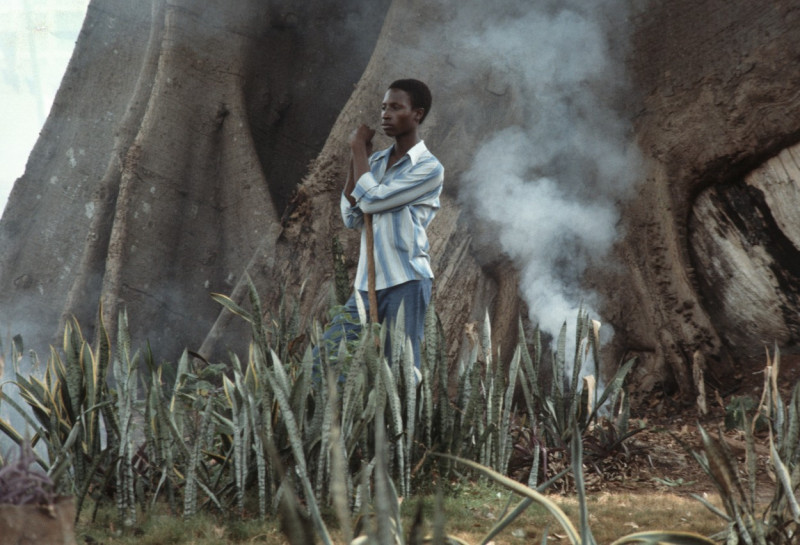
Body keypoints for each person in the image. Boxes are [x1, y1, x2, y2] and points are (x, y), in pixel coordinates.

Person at [322, 78, 444, 379]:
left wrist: (357, 150)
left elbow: (374, 200)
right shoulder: (374, 162)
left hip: (406, 281)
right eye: (383, 108)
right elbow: (352, 216)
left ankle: (401, 428)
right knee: (324, 364)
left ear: (417, 114)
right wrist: (358, 157)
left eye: (395, 108)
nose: (385, 114)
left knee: (399, 375)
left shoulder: (428, 168)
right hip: (365, 286)